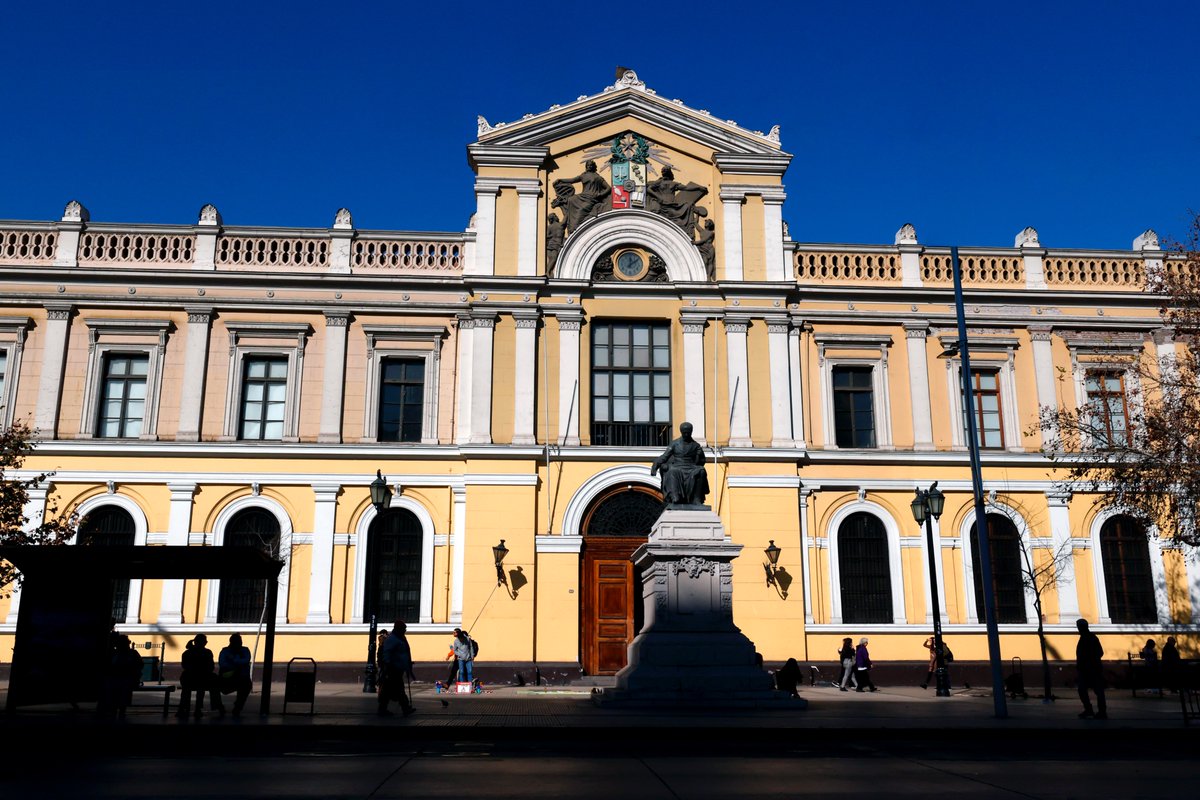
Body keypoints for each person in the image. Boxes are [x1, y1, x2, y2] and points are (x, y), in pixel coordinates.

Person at [650, 422, 710, 507]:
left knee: (701, 471)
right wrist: (655, 465)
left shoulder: (696, 445)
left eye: (688, 432)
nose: (686, 434)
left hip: (691, 466)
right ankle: (675, 496)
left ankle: (696, 499)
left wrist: (699, 456)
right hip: (678, 465)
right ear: (681, 432)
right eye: (684, 432)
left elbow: (702, 461)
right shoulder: (674, 444)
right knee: (672, 471)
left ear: (691, 432)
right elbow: (665, 456)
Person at [177, 634, 223, 718]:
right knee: (205, 685)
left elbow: (185, 666)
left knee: (187, 689)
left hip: (189, 678)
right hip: (202, 678)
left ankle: (182, 708)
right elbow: (211, 667)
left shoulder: (187, 653)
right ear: (204, 642)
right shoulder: (207, 652)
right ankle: (200, 709)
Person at [378, 620, 416, 716]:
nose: (405, 630)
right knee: (398, 689)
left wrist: (408, 665)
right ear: (398, 629)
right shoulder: (392, 639)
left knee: (389, 690)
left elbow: (406, 652)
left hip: (398, 668)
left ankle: (383, 709)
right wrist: (387, 664)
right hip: (392, 668)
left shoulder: (401, 638)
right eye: (403, 628)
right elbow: (387, 653)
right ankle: (405, 708)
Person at [1075, 618, 1107, 719]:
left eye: (1079, 627)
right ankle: (1090, 710)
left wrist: (1089, 662)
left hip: (1091, 670)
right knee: (1083, 690)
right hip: (1087, 669)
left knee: (1097, 690)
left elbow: (1099, 652)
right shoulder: (1088, 637)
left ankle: (1100, 711)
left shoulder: (1091, 638)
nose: (1078, 629)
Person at [217, 633, 253, 718]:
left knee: (246, 685)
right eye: (236, 641)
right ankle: (219, 707)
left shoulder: (245, 650)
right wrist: (237, 664)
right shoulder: (225, 651)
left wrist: (233, 660)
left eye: (239, 641)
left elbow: (246, 660)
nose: (239, 643)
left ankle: (238, 707)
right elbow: (222, 664)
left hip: (241, 677)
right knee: (215, 685)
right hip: (227, 677)